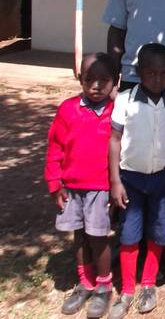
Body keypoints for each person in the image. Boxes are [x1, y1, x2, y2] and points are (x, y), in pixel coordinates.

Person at [107, 43, 165, 319]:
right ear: (138, 72)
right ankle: (127, 289)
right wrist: (115, 180)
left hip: (162, 179)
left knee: (159, 231)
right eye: (151, 73)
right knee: (129, 234)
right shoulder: (125, 100)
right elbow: (114, 140)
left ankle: (148, 283)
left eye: (164, 73)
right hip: (131, 179)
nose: (158, 79)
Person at [45, 53, 118, 318]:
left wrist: (116, 186)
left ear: (115, 81)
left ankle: (103, 285)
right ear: (80, 79)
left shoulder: (117, 111)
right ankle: (84, 282)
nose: (96, 86)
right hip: (72, 187)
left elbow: (122, 151)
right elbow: (55, 147)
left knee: (98, 237)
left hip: (100, 188)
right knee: (78, 235)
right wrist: (55, 183)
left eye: (104, 80)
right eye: (89, 79)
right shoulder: (68, 109)